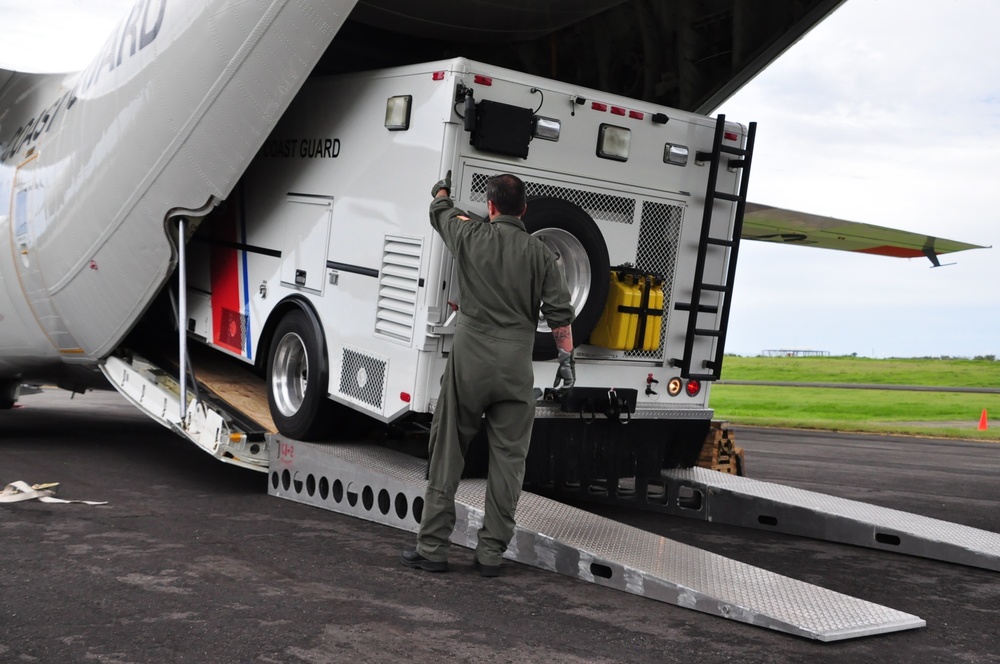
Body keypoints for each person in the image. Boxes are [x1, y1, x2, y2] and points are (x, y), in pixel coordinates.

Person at [401, 172, 576, 577]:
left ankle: (433, 548)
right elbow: (559, 316)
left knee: (448, 453)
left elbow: (440, 211)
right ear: (525, 210)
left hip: (470, 363)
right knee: (509, 462)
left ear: (491, 207)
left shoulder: (471, 235)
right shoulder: (540, 254)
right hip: (515, 368)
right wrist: (566, 360)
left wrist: (441, 190)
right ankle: (491, 554)